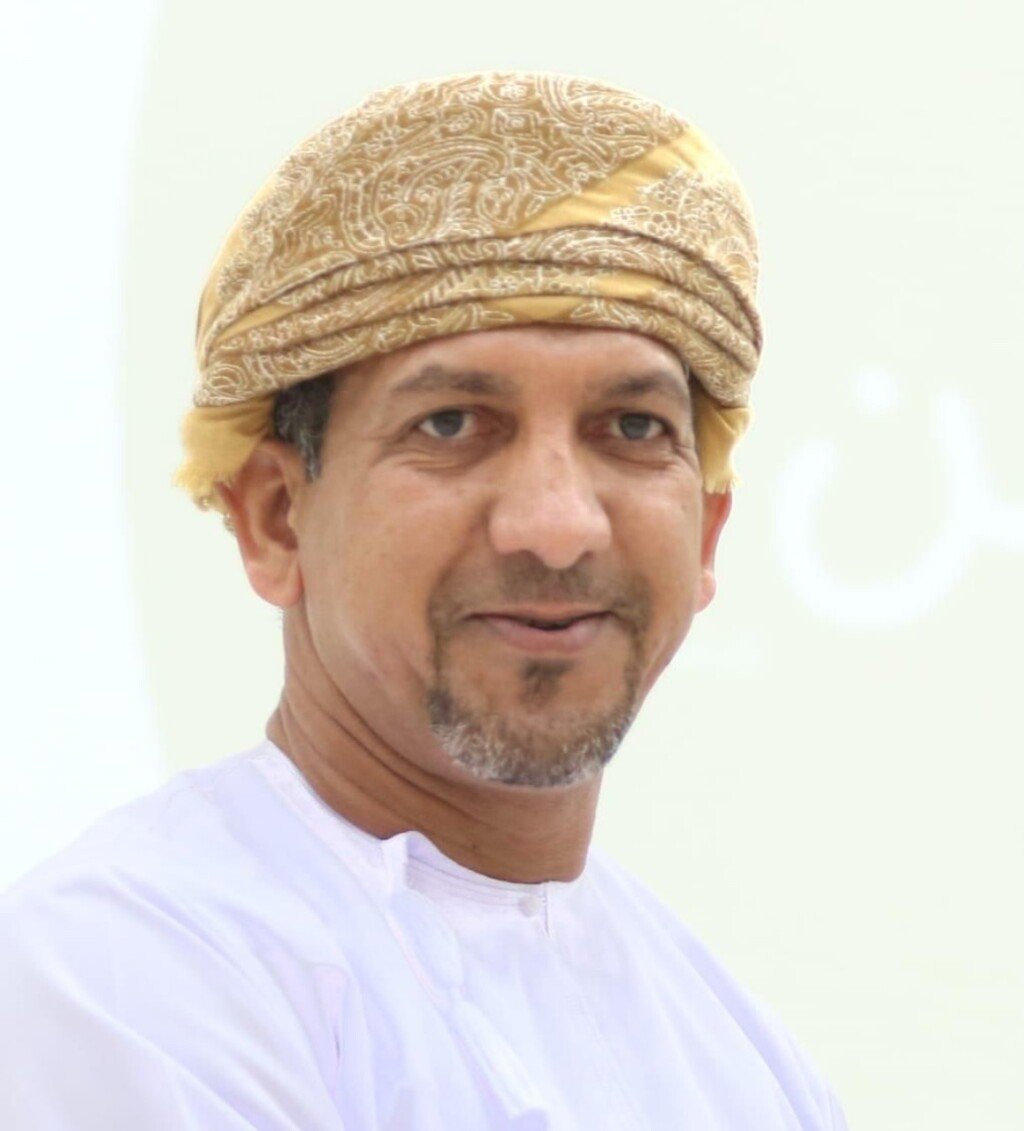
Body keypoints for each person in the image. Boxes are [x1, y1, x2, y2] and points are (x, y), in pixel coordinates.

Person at [0, 72, 848, 1129]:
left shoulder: (737, 1055)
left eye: (632, 429)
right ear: (275, 519)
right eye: (451, 425)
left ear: (708, 531)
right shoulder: (132, 973)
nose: (558, 524)